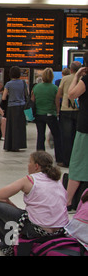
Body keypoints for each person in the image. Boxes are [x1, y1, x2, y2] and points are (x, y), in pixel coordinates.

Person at [0, 151, 69, 255]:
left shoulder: (30, 180)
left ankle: (7, 244)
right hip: (61, 229)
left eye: (29, 162)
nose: (27, 165)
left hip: (38, 230)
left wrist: (13, 207)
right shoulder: (57, 181)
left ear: (36, 166)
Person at [66, 61, 88, 209]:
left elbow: (71, 94)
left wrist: (77, 77)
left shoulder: (85, 80)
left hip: (85, 128)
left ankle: (67, 200)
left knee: (77, 163)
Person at [30, 67, 63, 165]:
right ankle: (59, 159)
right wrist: (57, 112)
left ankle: (39, 160)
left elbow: (33, 101)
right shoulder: (54, 88)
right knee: (57, 136)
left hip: (39, 115)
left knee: (40, 135)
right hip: (50, 114)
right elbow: (57, 102)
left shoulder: (36, 87)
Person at [56, 61, 82, 167]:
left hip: (66, 109)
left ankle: (66, 161)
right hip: (79, 111)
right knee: (78, 137)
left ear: (71, 70)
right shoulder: (82, 79)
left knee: (66, 137)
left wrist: (58, 109)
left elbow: (59, 95)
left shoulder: (65, 79)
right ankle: (77, 161)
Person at [2, 66, 27, 152]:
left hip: (12, 107)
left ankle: (10, 145)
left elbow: (4, 97)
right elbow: (26, 94)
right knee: (20, 126)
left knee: (11, 126)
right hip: (22, 106)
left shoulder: (8, 84)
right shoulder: (23, 83)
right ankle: (19, 145)